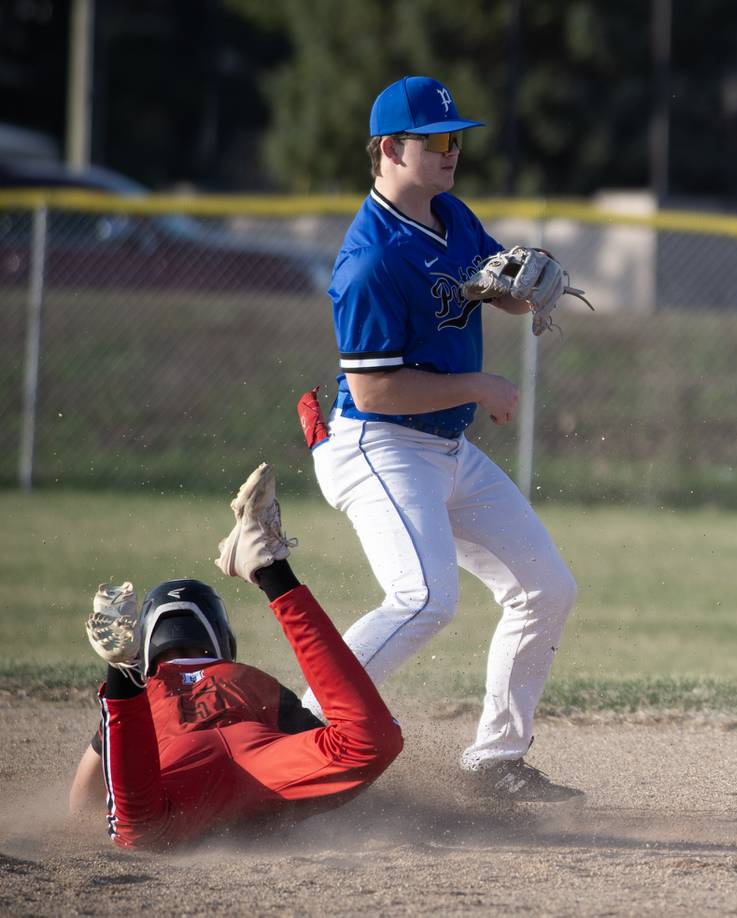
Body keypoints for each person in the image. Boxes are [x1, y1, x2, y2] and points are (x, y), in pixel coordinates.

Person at [309, 75, 581, 802]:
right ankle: (304, 730)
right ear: (391, 149)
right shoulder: (369, 259)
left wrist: (521, 291)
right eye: (435, 141)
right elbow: (372, 390)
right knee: (424, 598)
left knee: (545, 588)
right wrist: (478, 386)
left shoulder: (452, 217)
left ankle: (495, 763)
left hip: (445, 450)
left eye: (456, 138)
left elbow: (505, 294)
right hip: (379, 446)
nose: (452, 150)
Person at [71, 463, 403, 849]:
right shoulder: (244, 676)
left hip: (178, 771)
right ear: (219, 634)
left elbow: (86, 796)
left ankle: (121, 673)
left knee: (139, 830)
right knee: (370, 741)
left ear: (145, 642)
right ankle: (270, 570)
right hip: (261, 756)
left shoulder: (148, 694)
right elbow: (323, 746)